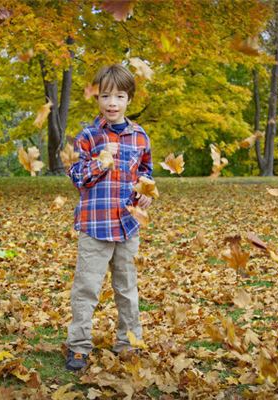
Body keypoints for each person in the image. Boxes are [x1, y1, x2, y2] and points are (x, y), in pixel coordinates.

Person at [65, 64, 154, 371]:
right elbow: (77, 177)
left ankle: (128, 342)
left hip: (128, 226)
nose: (112, 103)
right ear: (98, 98)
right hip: (95, 225)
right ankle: (78, 345)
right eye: (105, 96)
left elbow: (145, 173)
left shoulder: (140, 136)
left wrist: (146, 192)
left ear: (129, 98)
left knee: (127, 289)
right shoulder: (88, 136)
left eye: (119, 96)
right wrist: (102, 163)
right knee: (86, 288)